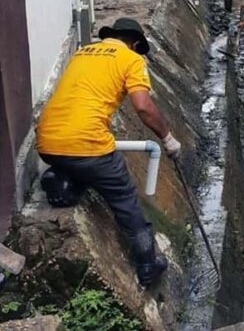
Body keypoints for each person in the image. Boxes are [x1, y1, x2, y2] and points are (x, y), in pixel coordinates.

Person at [36, 18, 182, 287]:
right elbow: (143, 107)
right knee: (126, 201)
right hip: (87, 144)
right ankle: (148, 267)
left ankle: (62, 182)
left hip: (47, 143)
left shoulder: (82, 53)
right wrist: (168, 138)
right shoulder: (131, 59)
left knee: (84, 168)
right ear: (135, 43)